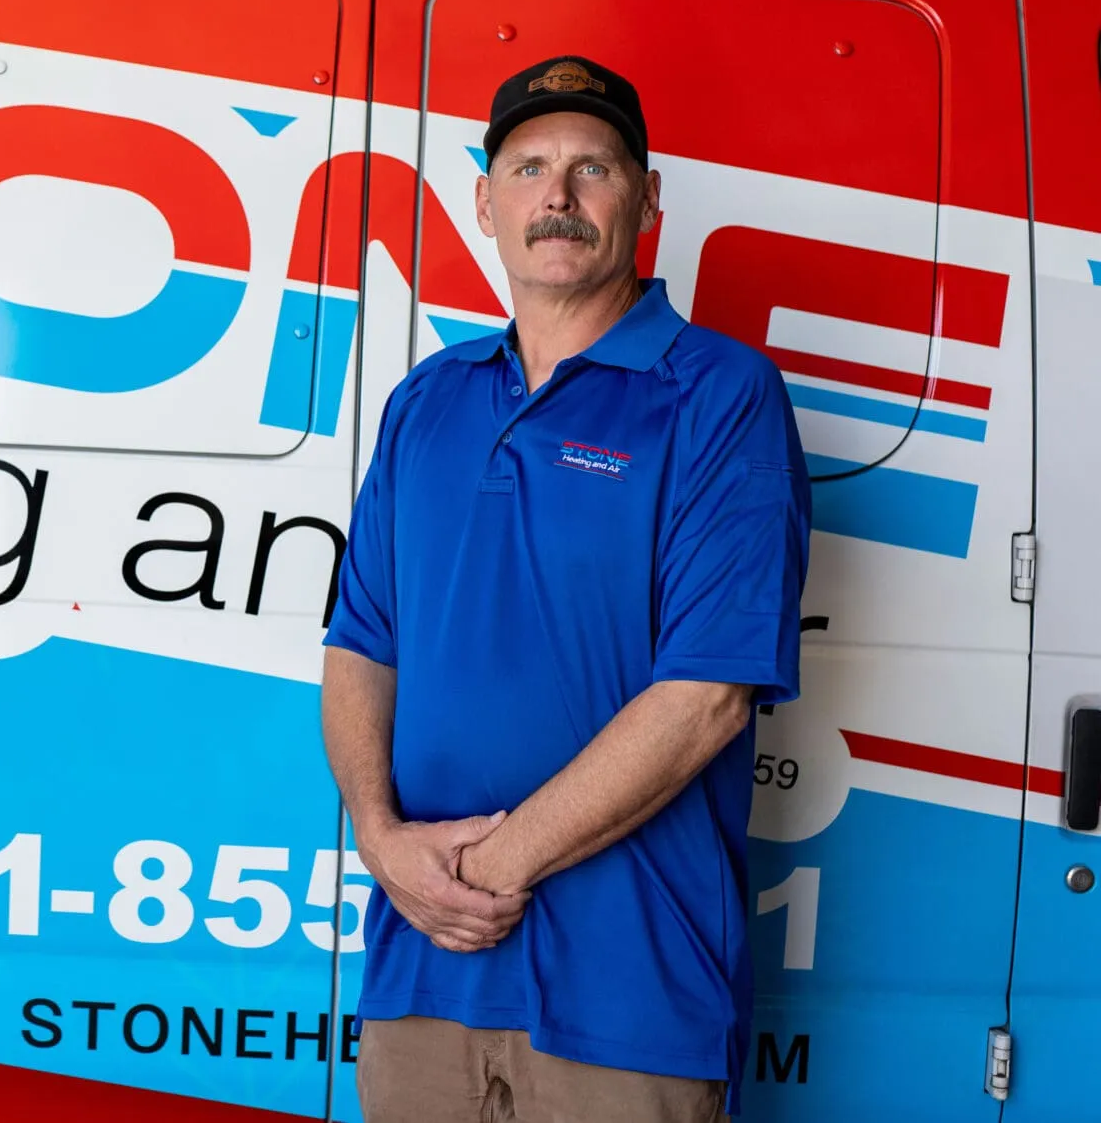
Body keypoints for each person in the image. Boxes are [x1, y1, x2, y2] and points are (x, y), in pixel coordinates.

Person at [321, 55, 812, 1123]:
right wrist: (376, 837)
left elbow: (704, 700)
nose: (556, 195)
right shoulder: (427, 401)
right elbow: (360, 644)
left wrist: (475, 872)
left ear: (644, 200)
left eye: (592, 168)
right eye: (528, 166)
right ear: (484, 204)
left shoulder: (718, 397)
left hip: (626, 995)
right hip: (422, 988)